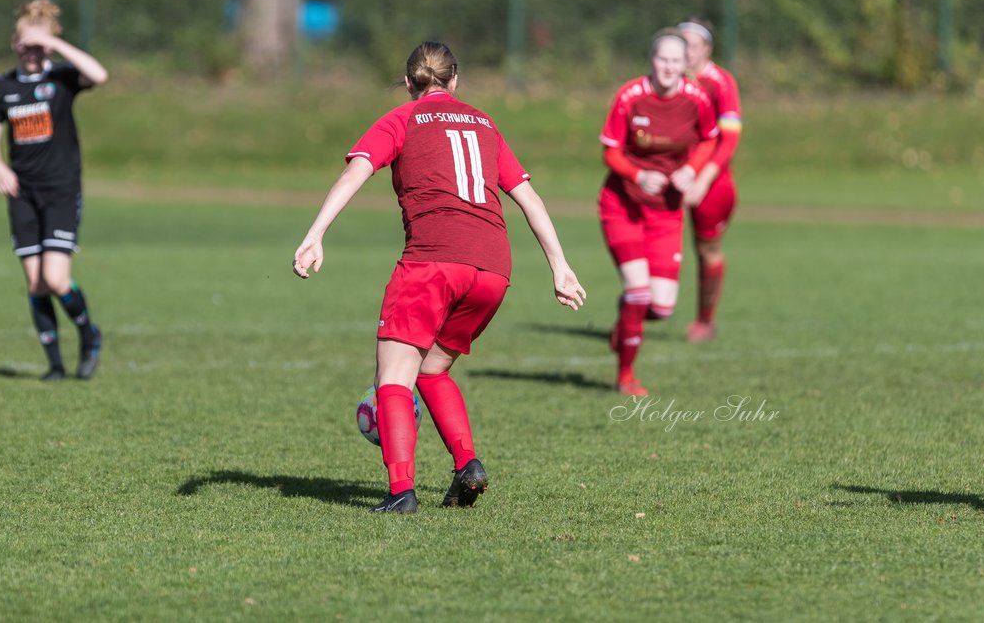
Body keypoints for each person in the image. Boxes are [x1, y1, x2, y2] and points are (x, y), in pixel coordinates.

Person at [292, 41, 586, 514]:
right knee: (432, 369)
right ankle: (467, 464)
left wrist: (315, 233)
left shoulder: (401, 119)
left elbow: (356, 173)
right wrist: (560, 266)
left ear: (409, 83)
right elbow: (529, 197)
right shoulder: (485, 123)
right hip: (493, 267)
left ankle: (400, 492)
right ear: (455, 80)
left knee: (393, 378)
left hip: (432, 261)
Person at [0, 0, 109, 381]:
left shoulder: (62, 78)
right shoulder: (3, 86)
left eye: (38, 42)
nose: (32, 49)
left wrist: (57, 46)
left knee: (56, 279)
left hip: (61, 191)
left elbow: (99, 75)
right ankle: (54, 364)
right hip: (23, 193)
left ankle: (89, 334)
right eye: (25, 40)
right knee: (35, 282)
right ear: (14, 42)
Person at [598, 29, 718, 396]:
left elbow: (711, 138)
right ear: (652, 60)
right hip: (623, 207)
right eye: (662, 59)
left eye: (675, 61)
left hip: (666, 213)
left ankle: (626, 320)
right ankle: (625, 377)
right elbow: (611, 151)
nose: (668, 67)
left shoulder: (697, 98)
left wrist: (691, 169)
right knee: (638, 293)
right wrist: (637, 174)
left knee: (661, 308)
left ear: (686, 64)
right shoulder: (629, 97)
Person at [678, 17, 742, 343]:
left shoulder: (720, 82)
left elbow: (729, 140)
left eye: (692, 44)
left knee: (706, 250)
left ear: (707, 48)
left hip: (712, 182)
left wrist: (702, 180)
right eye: (681, 42)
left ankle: (705, 321)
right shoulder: (668, 76)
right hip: (672, 178)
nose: (685, 50)